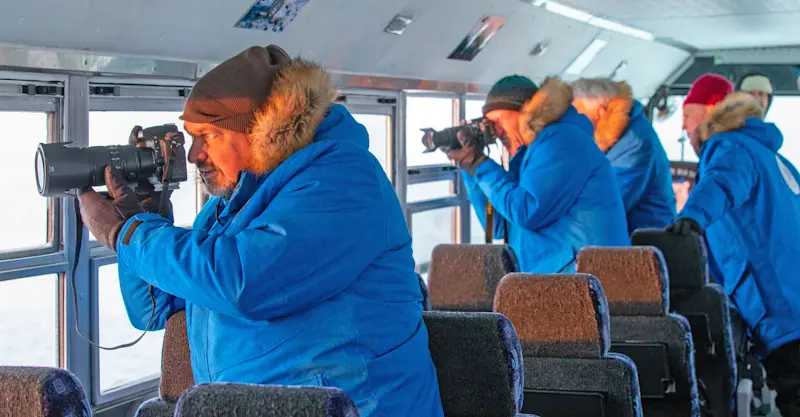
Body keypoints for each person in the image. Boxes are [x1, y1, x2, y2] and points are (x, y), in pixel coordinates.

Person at [76, 45, 445, 417]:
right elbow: (153, 310)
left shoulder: (344, 181)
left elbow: (246, 284)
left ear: (260, 129)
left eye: (208, 136)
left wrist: (128, 234)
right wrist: (143, 216)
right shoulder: (229, 208)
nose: (193, 155)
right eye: (191, 138)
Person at [668, 73, 800, 415]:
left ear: (711, 111)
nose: (684, 128)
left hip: (783, 311)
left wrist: (691, 217)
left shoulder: (730, 147)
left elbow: (723, 183)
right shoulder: (773, 158)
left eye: (687, 116)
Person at [446, 74, 629, 273]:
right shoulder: (528, 156)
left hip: (587, 278)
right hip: (559, 279)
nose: (496, 132)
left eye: (498, 121)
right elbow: (498, 226)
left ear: (525, 111)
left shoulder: (561, 141)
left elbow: (528, 211)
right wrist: (470, 168)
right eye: (489, 126)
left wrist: (481, 164)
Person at [571, 78, 676, 233]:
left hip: (645, 243)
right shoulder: (618, 136)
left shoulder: (635, 144)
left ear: (600, 113)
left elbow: (604, 202)